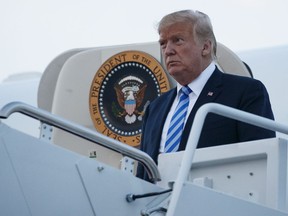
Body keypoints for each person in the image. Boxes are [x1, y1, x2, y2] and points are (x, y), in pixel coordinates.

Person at [137, 10, 275, 181]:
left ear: (205, 47)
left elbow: (261, 164)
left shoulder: (245, 92)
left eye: (177, 40)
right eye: (163, 44)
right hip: (156, 205)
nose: (168, 51)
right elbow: (143, 173)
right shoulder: (155, 108)